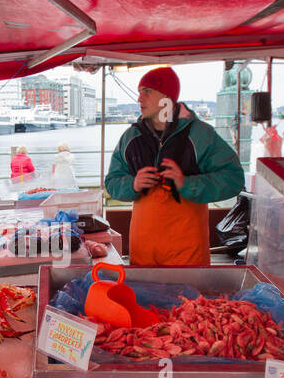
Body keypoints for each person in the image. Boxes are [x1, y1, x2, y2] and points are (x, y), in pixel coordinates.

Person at [104, 66, 244, 266]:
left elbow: (234, 179)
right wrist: (133, 184)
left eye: (147, 91)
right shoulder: (130, 137)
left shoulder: (201, 135)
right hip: (143, 255)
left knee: (191, 299)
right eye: (139, 92)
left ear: (167, 97)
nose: (139, 98)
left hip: (187, 256)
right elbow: (111, 183)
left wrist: (187, 183)